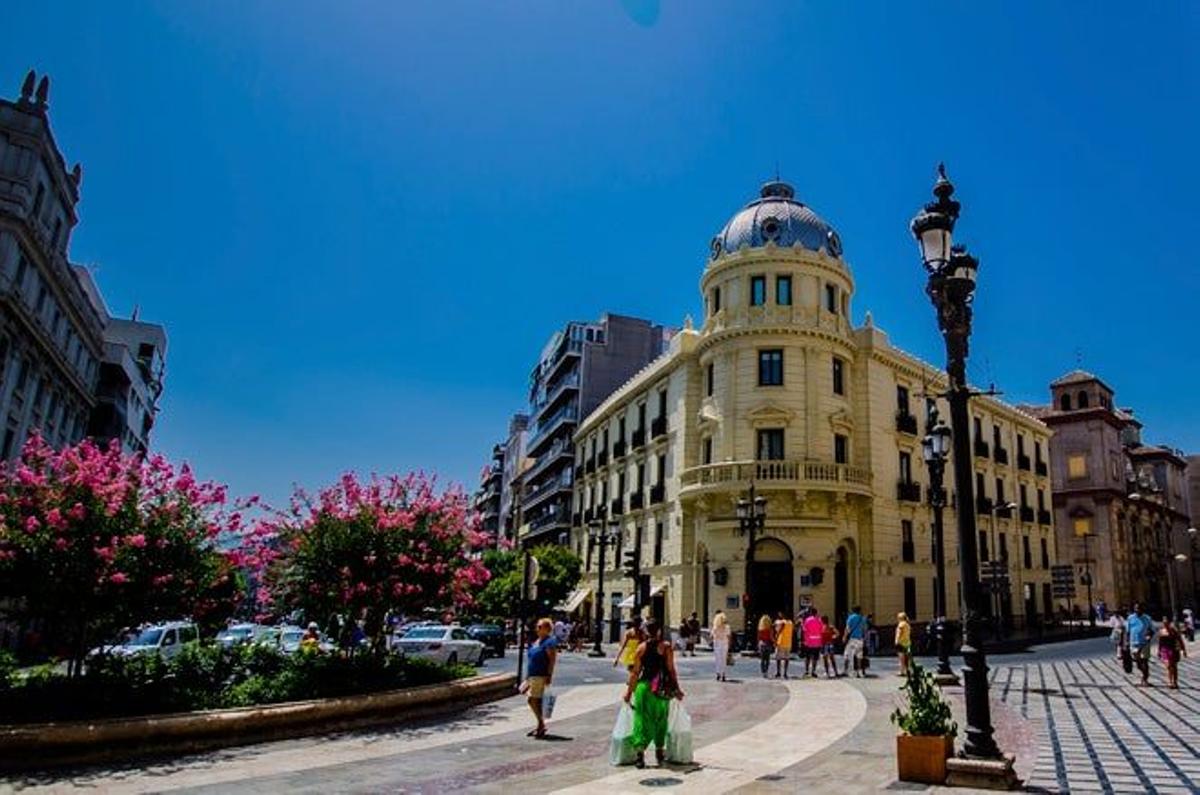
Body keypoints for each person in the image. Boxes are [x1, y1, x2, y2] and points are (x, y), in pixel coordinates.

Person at [623, 619, 684, 769]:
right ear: (658, 631)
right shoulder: (666, 647)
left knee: (641, 720)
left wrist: (629, 692)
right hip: (660, 690)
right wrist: (676, 688)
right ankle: (659, 751)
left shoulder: (640, 648)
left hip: (643, 688)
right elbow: (671, 670)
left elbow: (635, 673)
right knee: (661, 719)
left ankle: (640, 755)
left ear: (646, 631)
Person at [524, 617, 558, 739]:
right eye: (537, 626)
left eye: (540, 627)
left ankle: (541, 724)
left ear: (547, 629)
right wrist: (527, 677)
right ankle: (540, 724)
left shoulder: (549, 642)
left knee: (532, 699)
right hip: (533, 675)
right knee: (536, 700)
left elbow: (552, 660)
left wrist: (549, 675)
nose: (537, 629)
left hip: (540, 675)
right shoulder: (537, 641)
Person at [1125, 602, 1154, 686]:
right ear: (1134, 609)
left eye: (1139, 608)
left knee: (1144, 661)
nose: (1138, 610)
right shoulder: (1130, 618)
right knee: (1138, 663)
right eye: (1136, 608)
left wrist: (1149, 636)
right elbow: (1128, 631)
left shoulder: (1147, 618)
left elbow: (1151, 630)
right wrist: (1126, 642)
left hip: (1144, 643)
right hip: (1133, 643)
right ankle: (1145, 674)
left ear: (1143, 609)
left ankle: (1145, 679)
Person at [1158, 615, 1187, 689]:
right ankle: (1170, 681)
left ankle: (1175, 682)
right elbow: (1160, 642)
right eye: (1164, 621)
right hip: (1165, 650)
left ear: (1169, 622)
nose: (1165, 622)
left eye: (1166, 621)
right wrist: (1159, 651)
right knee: (1168, 666)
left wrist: (1183, 650)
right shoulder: (1161, 631)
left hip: (1173, 650)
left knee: (1174, 666)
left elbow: (1180, 640)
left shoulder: (1174, 630)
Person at [843, 605, 867, 678]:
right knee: (859, 656)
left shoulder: (851, 617)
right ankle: (859, 672)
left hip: (852, 639)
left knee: (847, 654)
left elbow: (847, 628)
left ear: (853, 610)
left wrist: (844, 636)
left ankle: (847, 670)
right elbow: (864, 629)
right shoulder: (862, 618)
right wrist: (864, 638)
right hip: (860, 639)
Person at [801, 609, 824, 678]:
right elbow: (821, 630)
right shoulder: (819, 621)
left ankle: (807, 671)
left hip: (809, 642)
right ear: (816, 613)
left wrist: (804, 640)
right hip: (817, 642)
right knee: (815, 658)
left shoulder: (807, 620)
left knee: (807, 657)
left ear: (811, 613)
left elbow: (804, 630)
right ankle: (813, 671)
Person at [773, 611, 794, 679]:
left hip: (781, 642)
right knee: (786, 659)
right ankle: (785, 673)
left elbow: (778, 631)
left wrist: (775, 639)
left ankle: (778, 672)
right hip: (788, 643)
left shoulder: (781, 623)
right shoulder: (790, 623)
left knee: (778, 658)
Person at [711, 610, 730, 682]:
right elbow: (728, 636)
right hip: (724, 643)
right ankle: (723, 674)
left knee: (718, 659)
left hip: (717, 643)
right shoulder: (727, 627)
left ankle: (718, 673)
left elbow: (712, 635)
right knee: (723, 659)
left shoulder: (715, 627)